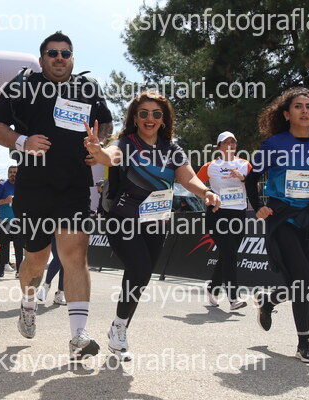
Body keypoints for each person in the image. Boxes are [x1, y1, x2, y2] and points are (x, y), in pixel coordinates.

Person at [0, 31, 113, 359]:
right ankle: (28, 304)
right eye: (53, 53)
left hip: (75, 185)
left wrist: (97, 143)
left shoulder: (88, 87)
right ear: (42, 59)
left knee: (75, 256)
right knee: (36, 259)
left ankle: (78, 336)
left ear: (72, 58)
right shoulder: (23, 85)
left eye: (65, 53)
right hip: (34, 186)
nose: (59, 58)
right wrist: (22, 141)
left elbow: (105, 124)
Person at [84, 91, 220, 360]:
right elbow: (111, 156)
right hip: (122, 219)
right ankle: (119, 328)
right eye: (143, 113)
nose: (150, 118)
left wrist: (206, 192)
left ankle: (119, 327)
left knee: (141, 276)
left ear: (163, 119)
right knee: (140, 268)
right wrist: (98, 151)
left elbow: (188, 178)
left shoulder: (172, 150)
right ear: (135, 118)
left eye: (156, 114)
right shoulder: (126, 143)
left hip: (157, 221)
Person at [245, 87, 309, 364]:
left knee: (303, 282)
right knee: (301, 277)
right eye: (298, 106)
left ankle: (269, 300)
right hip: (282, 217)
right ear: (286, 114)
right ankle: (304, 341)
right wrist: (257, 205)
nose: (304, 111)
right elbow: (252, 178)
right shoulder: (274, 144)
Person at [197, 131, 251, 311]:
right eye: (226, 142)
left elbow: (255, 187)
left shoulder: (244, 164)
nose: (230, 145)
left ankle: (213, 288)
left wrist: (243, 178)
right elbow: (194, 184)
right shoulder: (211, 166)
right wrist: (207, 195)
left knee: (227, 254)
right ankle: (234, 297)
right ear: (219, 146)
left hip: (239, 214)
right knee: (230, 254)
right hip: (217, 214)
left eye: (233, 142)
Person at [0, 166, 23, 278]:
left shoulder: (22, 185)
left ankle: (19, 270)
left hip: (18, 220)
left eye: (15, 172)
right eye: (10, 172)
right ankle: (1, 268)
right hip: (4, 220)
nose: (12, 174)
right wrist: (5, 200)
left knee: (18, 246)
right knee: (4, 245)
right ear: (8, 174)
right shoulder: (2, 185)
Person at [37, 237, 66, 305]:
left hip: (71, 234)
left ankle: (60, 294)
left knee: (65, 261)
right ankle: (46, 286)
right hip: (55, 233)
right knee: (59, 258)